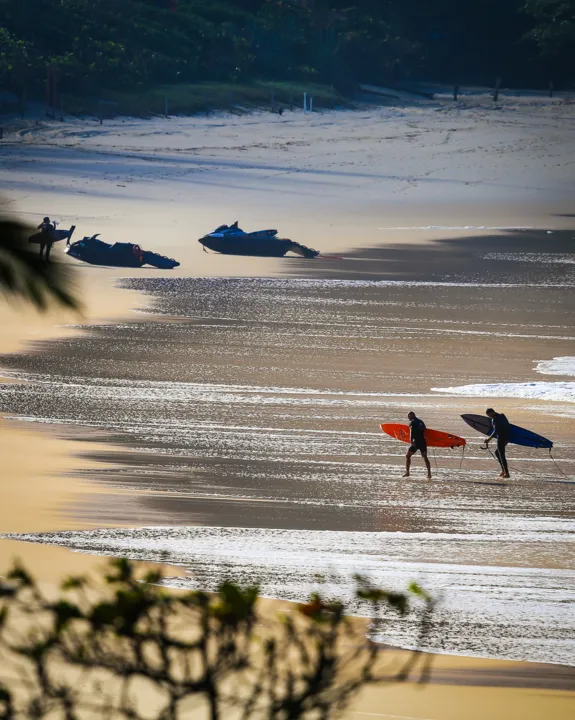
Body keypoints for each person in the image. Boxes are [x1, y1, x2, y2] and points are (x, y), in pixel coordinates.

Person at [404, 411, 432, 479]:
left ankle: (407, 472)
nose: (408, 418)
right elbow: (424, 429)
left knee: (408, 456)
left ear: (412, 415)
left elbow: (411, 431)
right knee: (425, 457)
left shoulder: (412, 422)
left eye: (409, 416)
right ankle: (429, 474)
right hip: (423, 442)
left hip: (416, 442)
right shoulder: (421, 422)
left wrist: (411, 440)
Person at [485, 408, 510, 478]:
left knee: (501, 455)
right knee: (497, 453)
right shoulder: (502, 416)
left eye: (489, 415)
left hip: (502, 437)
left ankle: (507, 473)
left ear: (492, 412)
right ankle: (504, 470)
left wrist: (488, 439)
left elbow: (496, 431)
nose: (489, 416)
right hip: (507, 437)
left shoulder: (496, 418)